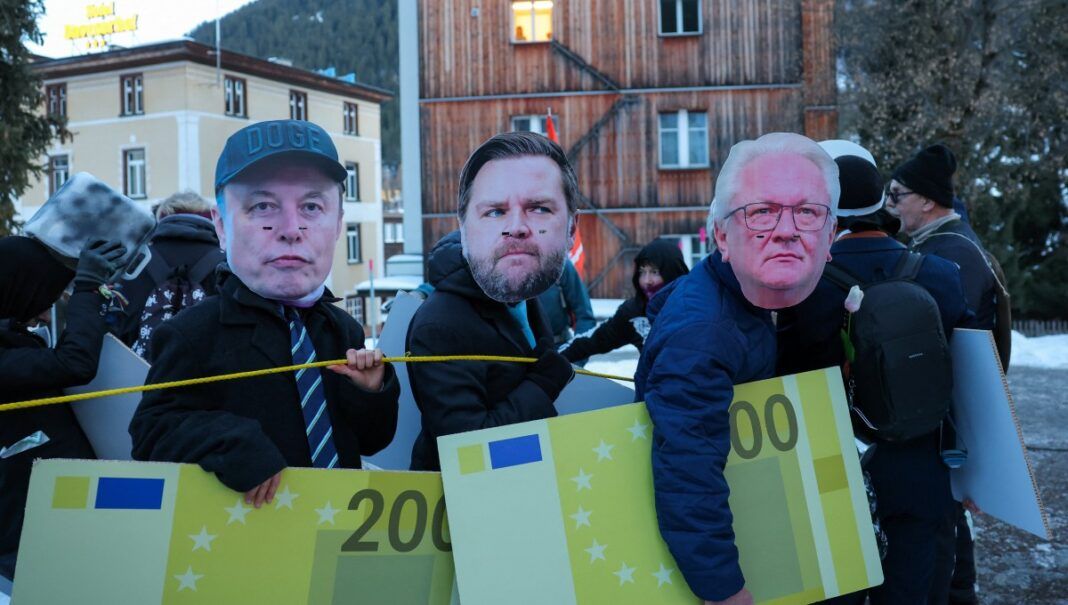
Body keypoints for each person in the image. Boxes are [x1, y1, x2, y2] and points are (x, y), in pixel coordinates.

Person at [129, 119, 400, 507]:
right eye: (262, 206)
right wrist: (228, 439)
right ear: (221, 227)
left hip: (337, 534)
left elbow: (372, 439)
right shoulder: (193, 334)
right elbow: (150, 433)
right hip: (247, 547)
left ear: (338, 224)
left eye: (311, 206)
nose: (291, 229)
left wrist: (371, 392)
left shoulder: (342, 329)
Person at [635, 132, 838, 605]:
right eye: (762, 211)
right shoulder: (703, 332)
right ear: (721, 236)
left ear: (830, 238)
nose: (786, 229)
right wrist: (722, 587)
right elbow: (687, 467)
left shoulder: (751, 295)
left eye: (807, 212)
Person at [777, 146, 973, 604]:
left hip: (833, 468)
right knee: (911, 589)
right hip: (923, 466)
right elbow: (971, 371)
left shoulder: (800, 288)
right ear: (880, 200)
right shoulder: (942, 275)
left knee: (836, 587)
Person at [407, 131, 577, 472]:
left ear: (573, 226)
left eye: (539, 208)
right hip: (465, 514)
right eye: (496, 212)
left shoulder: (518, 290)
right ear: (464, 228)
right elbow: (471, 456)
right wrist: (543, 384)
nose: (516, 228)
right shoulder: (439, 326)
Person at [887, 144, 1007, 604]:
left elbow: (948, 343)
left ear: (928, 200)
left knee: (946, 532)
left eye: (898, 194)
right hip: (949, 416)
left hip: (950, 417)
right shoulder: (943, 244)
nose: (890, 202)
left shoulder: (951, 252)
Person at [1, 236, 126, 579]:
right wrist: (86, 288)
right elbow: (74, 364)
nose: (44, 316)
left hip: (54, 516)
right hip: (22, 537)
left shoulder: (12, 338)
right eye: (43, 300)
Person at [112, 191, 226, 360]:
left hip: (145, 375)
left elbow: (120, 327)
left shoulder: (135, 262)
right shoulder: (225, 263)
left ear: (161, 219)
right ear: (211, 219)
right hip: (208, 376)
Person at [561, 238, 689, 363]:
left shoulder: (694, 308)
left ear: (673, 272)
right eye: (642, 272)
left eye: (654, 272)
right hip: (653, 384)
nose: (646, 281)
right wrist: (554, 359)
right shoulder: (634, 312)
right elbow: (593, 340)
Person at [536, 258, 595, 345]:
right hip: (518, 354)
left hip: (559, 347)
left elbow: (585, 317)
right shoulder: (510, 268)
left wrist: (577, 353)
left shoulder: (560, 265)